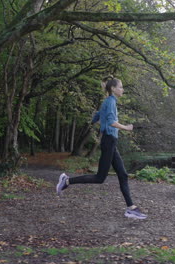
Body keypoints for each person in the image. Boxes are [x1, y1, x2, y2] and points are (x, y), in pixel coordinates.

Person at [56, 77, 147, 220]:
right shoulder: (110, 102)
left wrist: (102, 120)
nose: (122, 89)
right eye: (120, 87)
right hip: (109, 141)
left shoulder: (108, 102)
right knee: (100, 178)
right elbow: (111, 122)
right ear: (113, 89)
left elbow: (95, 118)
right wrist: (126, 128)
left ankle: (131, 208)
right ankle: (66, 181)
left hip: (111, 141)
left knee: (123, 175)